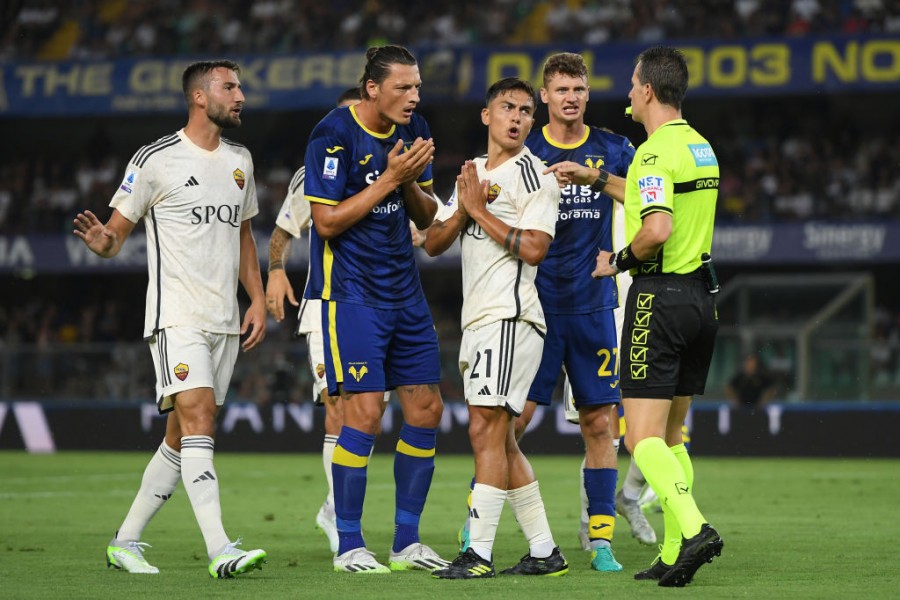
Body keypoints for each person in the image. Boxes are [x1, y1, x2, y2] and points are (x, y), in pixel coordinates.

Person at [73, 60, 268, 578]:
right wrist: (103, 243)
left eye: (240, 87)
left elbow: (245, 237)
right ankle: (220, 548)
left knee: (184, 436)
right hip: (176, 315)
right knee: (200, 417)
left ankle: (126, 540)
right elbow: (115, 234)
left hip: (224, 319)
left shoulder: (240, 160)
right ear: (200, 97)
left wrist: (258, 299)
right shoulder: (155, 159)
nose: (241, 95)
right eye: (230, 87)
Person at [302, 45, 448, 574]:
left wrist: (407, 179)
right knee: (364, 414)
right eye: (403, 88)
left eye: (417, 88)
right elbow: (327, 222)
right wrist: (388, 178)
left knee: (427, 410)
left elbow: (429, 217)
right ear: (372, 88)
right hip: (353, 295)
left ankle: (406, 542)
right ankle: (348, 545)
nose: (414, 97)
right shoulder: (331, 134)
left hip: (405, 294)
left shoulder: (417, 129)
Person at [591, 46, 724, 587]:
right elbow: (660, 203)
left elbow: (656, 229)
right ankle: (672, 555)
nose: (627, 92)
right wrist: (598, 180)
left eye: (631, 83)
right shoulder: (701, 147)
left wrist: (616, 261)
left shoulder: (651, 152)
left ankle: (693, 530)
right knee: (672, 436)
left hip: (658, 300)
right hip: (700, 300)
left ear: (647, 90)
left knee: (640, 437)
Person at [425, 77, 567, 579]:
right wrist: (466, 206)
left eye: (527, 111)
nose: (518, 117)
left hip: (510, 318)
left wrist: (479, 211)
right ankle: (546, 551)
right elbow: (434, 242)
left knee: (485, 430)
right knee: (502, 442)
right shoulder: (473, 173)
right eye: (508, 107)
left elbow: (534, 248)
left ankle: (478, 554)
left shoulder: (536, 178)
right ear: (487, 115)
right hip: (481, 321)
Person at [265, 86, 362, 555]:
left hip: (376, 307)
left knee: (368, 415)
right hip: (325, 304)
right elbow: (283, 229)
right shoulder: (316, 170)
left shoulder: (385, 161)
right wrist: (277, 271)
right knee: (339, 409)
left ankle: (331, 507)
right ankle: (344, 521)